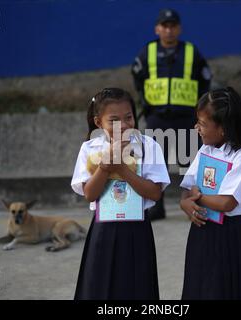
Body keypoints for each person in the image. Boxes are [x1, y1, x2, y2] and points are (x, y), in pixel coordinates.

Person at [71, 88, 170, 299]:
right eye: (114, 120)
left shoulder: (148, 146)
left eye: (129, 117)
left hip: (137, 229)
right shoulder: (90, 149)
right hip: (103, 229)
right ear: (99, 123)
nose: (124, 125)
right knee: (99, 286)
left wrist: (123, 169)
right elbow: (89, 194)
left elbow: (154, 193)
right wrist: (105, 167)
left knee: (137, 286)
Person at [179, 87, 241, 299]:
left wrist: (197, 198)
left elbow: (227, 203)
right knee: (199, 287)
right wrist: (185, 204)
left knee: (227, 290)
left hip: (230, 236)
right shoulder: (206, 149)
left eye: (203, 124)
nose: (197, 128)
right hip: (202, 231)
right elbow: (187, 186)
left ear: (224, 128)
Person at [132, 8, 212, 220]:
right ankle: (156, 208)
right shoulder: (147, 52)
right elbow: (138, 78)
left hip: (187, 117)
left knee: (190, 165)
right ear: (157, 29)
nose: (169, 30)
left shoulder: (191, 52)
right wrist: (146, 102)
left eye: (172, 26)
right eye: (164, 26)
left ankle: (194, 204)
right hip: (157, 117)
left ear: (179, 29)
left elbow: (205, 80)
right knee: (155, 165)